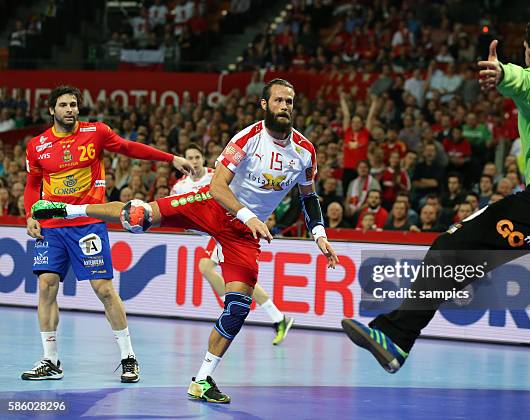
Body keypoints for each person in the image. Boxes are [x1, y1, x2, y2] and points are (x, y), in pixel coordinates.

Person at [341, 15, 530, 420]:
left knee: (453, 244)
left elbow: (525, 81)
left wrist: (501, 72)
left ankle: (397, 336)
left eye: (527, 50)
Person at [32, 79, 339, 404]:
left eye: (289, 102)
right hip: (212, 206)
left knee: (237, 308)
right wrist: (249, 215)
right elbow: (219, 186)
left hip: (244, 234)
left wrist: (319, 234)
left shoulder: (305, 151)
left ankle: (203, 380)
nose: (285, 107)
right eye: (278, 101)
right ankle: (68, 208)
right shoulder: (247, 139)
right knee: (137, 217)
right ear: (264, 105)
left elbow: (310, 196)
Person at [22, 85, 193, 382]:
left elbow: (129, 148)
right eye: (63, 105)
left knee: (103, 289)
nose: (70, 109)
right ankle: (50, 361)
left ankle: (128, 357)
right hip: (51, 226)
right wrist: (30, 215)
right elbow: (32, 183)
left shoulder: (96, 132)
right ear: (52, 110)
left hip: (88, 223)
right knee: (47, 287)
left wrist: (170, 158)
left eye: (73, 104)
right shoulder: (37, 145)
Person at [171, 143, 295, 345]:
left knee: (207, 267)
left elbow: (236, 195)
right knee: (240, 280)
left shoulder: (215, 176)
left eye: (197, 157)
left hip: (226, 227)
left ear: (203, 159)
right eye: (190, 158)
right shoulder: (179, 187)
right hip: (209, 233)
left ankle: (235, 305)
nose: (193, 161)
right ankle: (278, 317)